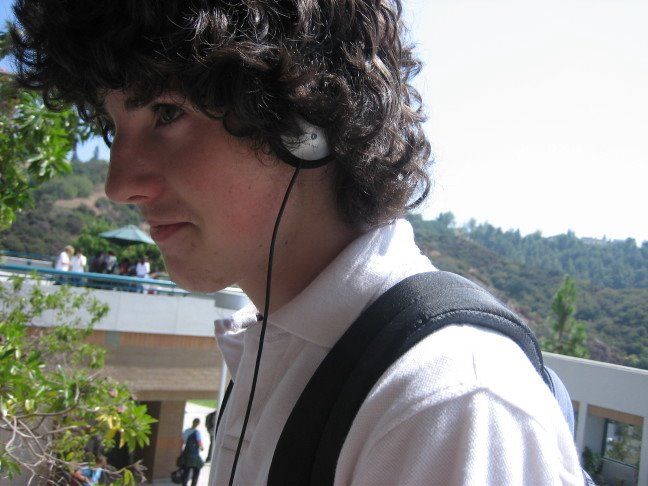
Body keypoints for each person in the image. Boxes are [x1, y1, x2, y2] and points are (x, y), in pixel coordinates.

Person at [10, 2, 584, 485]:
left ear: (303, 124)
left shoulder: (445, 406)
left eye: (167, 112)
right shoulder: (273, 351)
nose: (118, 184)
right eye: (114, 129)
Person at [180, 418, 205, 486]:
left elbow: (182, 441)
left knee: (186, 472)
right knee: (197, 470)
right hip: (194, 456)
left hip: (186, 454)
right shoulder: (196, 432)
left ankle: (184, 484)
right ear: (198, 424)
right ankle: (193, 484)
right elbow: (199, 442)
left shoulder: (186, 431)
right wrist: (202, 447)